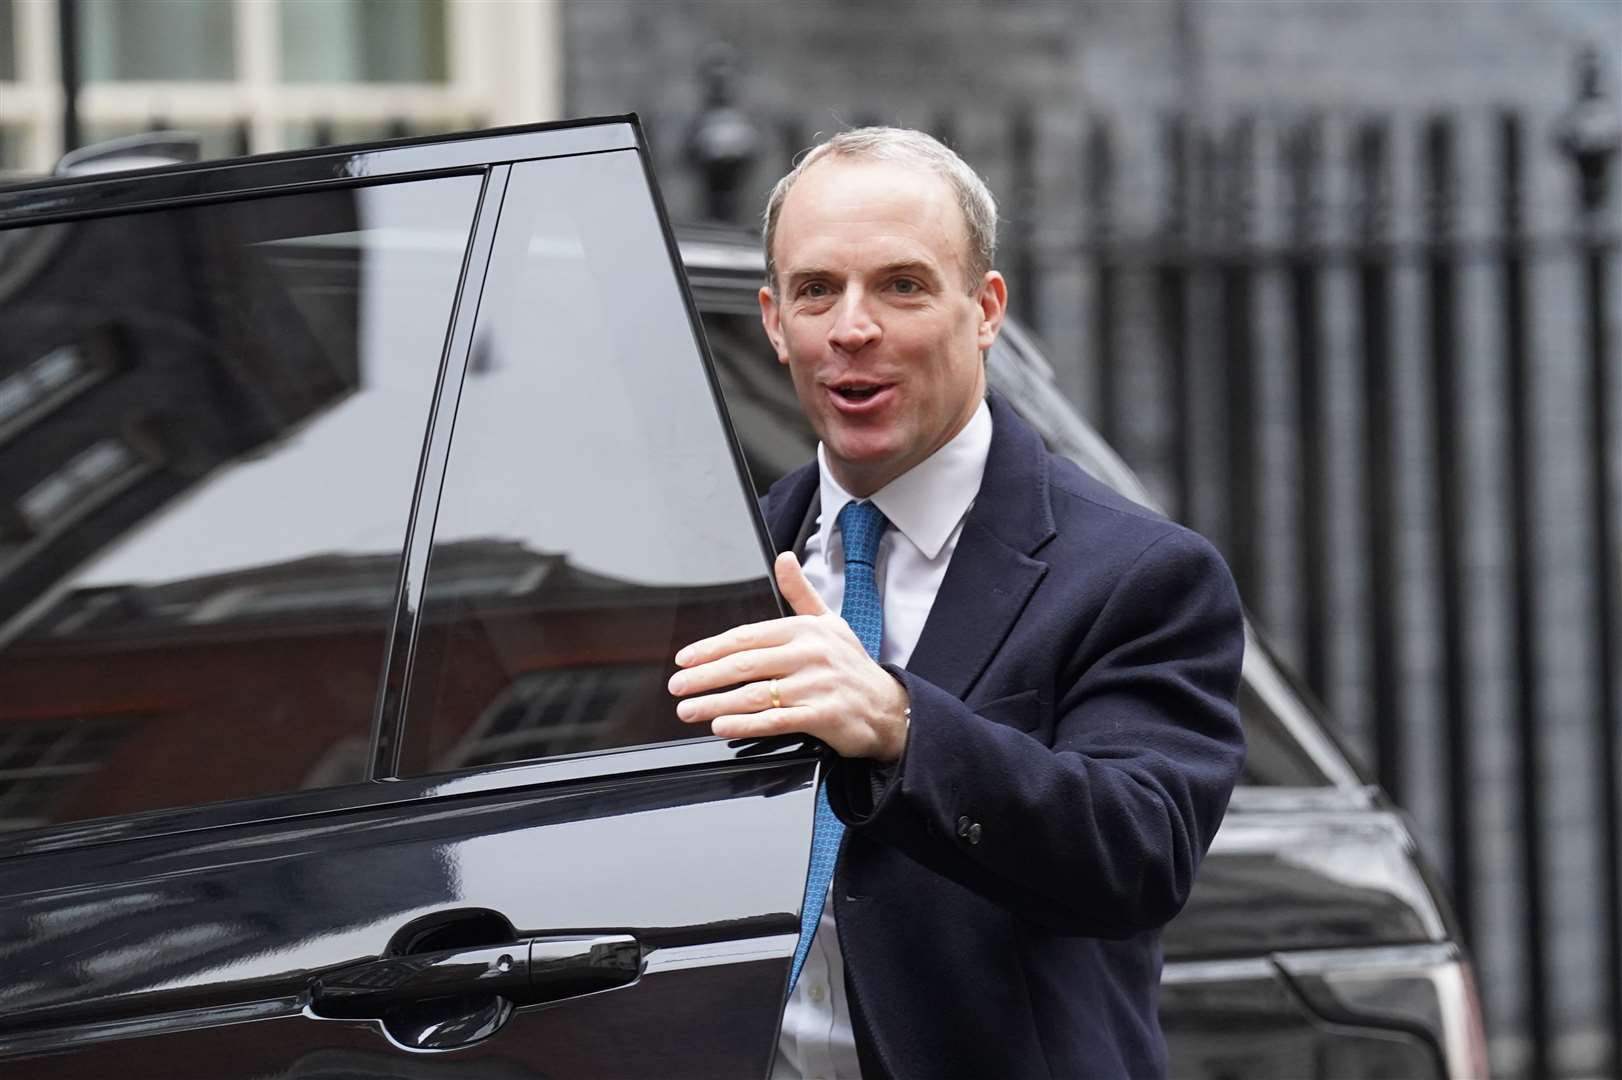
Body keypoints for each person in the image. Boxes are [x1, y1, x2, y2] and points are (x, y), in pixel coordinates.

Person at [667, 127, 1245, 1080]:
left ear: (985, 310)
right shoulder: (718, 569)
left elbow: (1141, 852)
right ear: (773, 321)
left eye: (902, 285)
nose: (852, 328)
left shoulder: (1140, 572)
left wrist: (900, 724)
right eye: (817, 290)